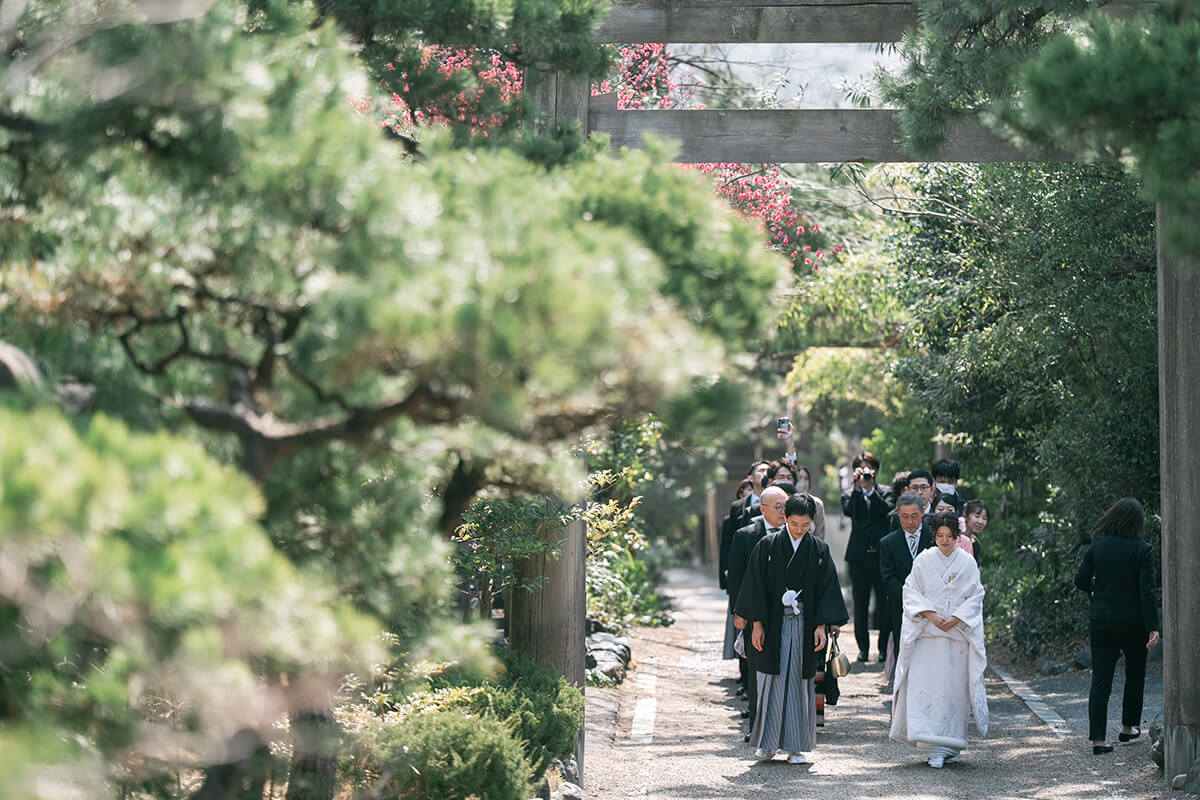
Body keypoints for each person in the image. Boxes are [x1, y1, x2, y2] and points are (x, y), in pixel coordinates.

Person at [735, 493, 848, 764]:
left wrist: (821, 625)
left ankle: (796, 745)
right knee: (769, 681)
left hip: (804, 623)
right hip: (772, 623)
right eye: (795, 524)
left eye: (806, 525)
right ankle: (767, 743)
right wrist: (757, 625)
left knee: (800, 681)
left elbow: (825, 590)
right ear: (785, 517)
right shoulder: (768, 545)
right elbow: (756, 587)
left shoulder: (818, 549)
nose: (800, 530)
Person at [890, 513, 989, 768]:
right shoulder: (924, 560)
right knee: (928, 689)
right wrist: (931, 615)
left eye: (950, 536)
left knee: (954, 691)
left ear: (958, 537)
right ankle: (933, 747)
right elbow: (910, 591)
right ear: (933, 536)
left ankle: (952, 744)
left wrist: (956, 618)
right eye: (940, 536)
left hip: (956, 637)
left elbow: (976, 595)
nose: (945, 541)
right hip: (928, 636)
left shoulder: (966, 562)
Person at [1073, 497, 1160, 755]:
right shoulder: (1143, 550)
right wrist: (1153, 626)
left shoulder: (1098, 546)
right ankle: (1127, 727)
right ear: (1137, 523)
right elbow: (1147, 591)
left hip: (1101, 619)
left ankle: (1099, 740)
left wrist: (1095, 593)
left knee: (1101, 679)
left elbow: (1080, 580)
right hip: (1133, 622)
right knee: (1135, 673)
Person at [727, 486, 789, 737]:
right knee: (756, 672)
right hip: (755, 613)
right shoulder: (745, 535)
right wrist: (739, 612)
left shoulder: (794, 534)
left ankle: (785, 727)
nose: (783, 512)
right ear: (762, 509)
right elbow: (737, 578)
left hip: (786, 611)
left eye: (786, 506)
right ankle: (757, 726)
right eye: (778, 507)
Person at [842, 451, 893, 662]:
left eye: (868, 469)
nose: (864, 474)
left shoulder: (886, 492)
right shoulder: (850, 493)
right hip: (859, 557)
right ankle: (862, 648)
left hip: (882, 556)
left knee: (884, 603)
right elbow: (849, 512)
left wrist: (871, 491)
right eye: (860, 469)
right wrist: (857, 489)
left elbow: (888, 511)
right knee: (860, 604)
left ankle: (883, 649)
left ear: (876, 471)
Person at [879, 492, 934, 679]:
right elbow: (888, 578)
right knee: (904, 646)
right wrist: (910, 597)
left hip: (932, 604)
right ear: (897, 514)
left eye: (914, 516)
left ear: (923, 512)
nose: (910, 521)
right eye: (904, 516)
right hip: (901, 605)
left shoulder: (934, 538)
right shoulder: (888, 543)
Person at [956, 499, 988, 565]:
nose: (980, 522)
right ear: (965, 516)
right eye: (977, 516)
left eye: (984, 518)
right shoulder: (952, 535)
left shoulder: (976, 544)